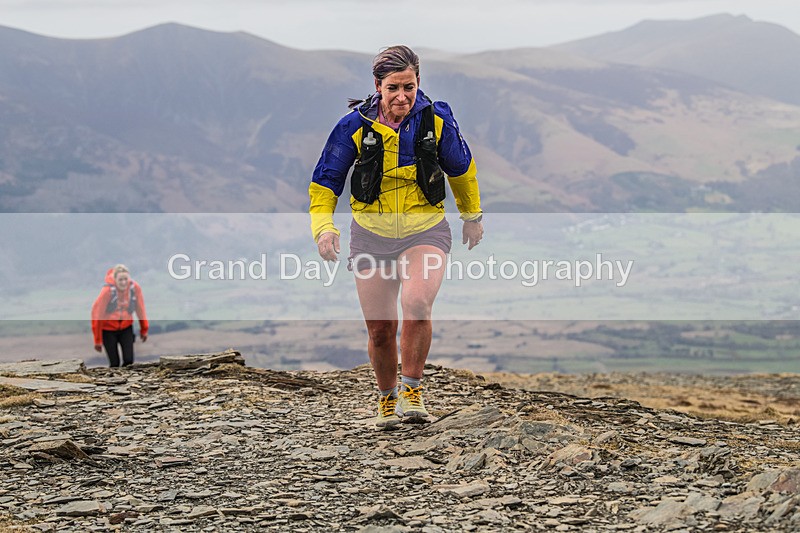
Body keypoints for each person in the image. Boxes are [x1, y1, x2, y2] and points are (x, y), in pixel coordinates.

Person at [309, 45, 483, 428]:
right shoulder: (353, 126)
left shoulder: (436, 120)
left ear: (418, 83)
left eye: (410, 87)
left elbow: (461, 170)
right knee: (381, 328)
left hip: (426, 231)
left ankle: (413, 391)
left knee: (417, 302)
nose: (403, 96)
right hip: (371, 236)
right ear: (378, 87)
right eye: (393, 88)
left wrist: (472, 216)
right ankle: (387, 398)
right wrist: (324, 228)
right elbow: (325, 184)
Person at [91, 264, 148, 367]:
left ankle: (128, 382)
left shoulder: (134, 289)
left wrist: (144, 329)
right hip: (108, 330)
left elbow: (141, 309)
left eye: (126, 279)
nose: (123, 282)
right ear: (115, 279)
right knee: (114, 363)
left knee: (129, 360)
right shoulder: (107, 291)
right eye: (120, 280)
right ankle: (115, 382)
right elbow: (97, 315)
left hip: (126, 327)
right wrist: (97, 340)